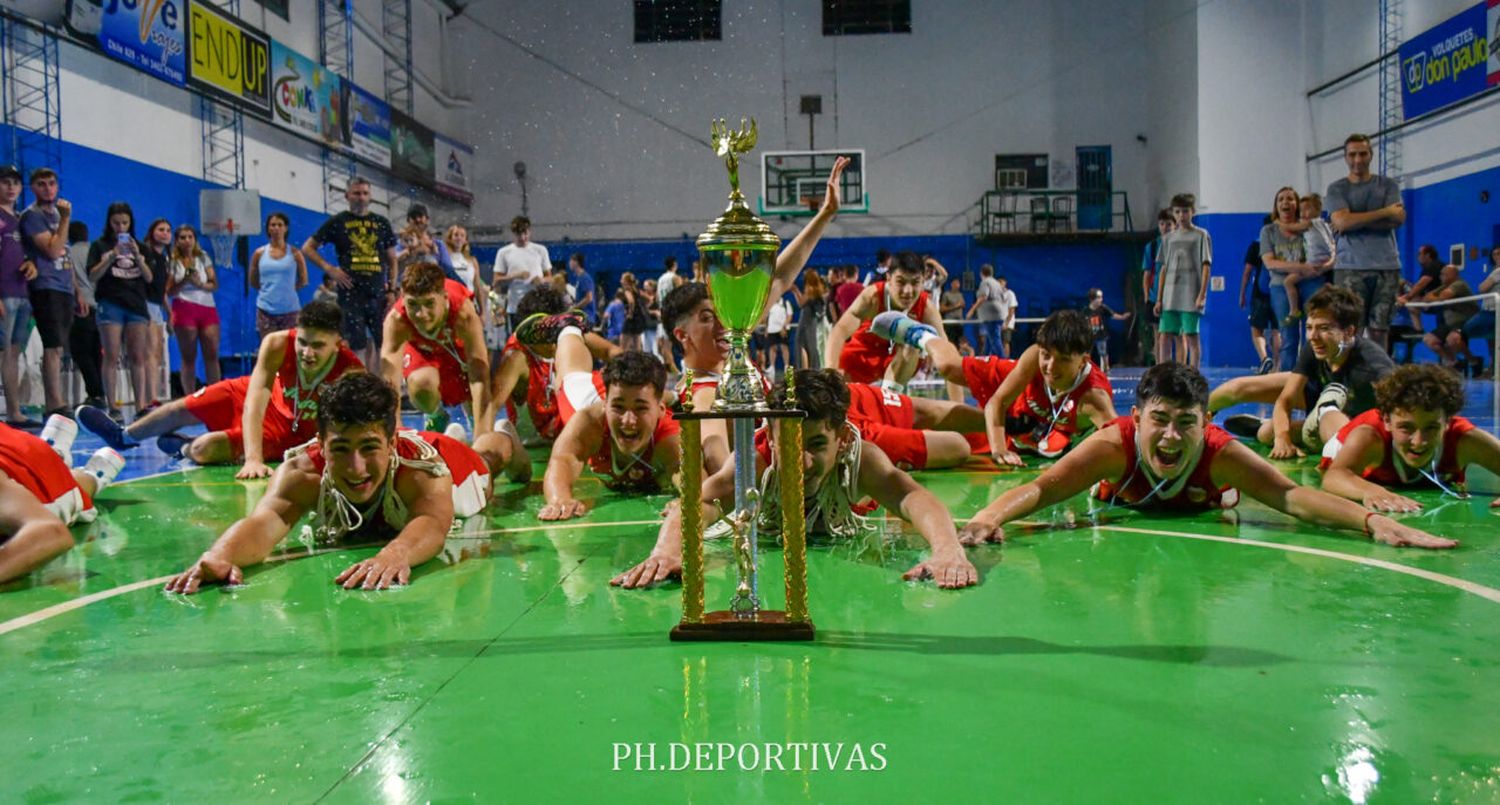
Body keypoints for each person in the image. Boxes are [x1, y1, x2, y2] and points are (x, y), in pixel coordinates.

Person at [957, 363, 1455, 550]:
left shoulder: (1219, 453)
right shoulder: (1113, 443)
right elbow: (1041, 489)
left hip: (1205, 496)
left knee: (1241, 491)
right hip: (1123, 497)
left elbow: (1294, 496)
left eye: (1187, 422)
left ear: (1205, 422)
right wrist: (987, 516)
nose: (1172, 436)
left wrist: (1372, 523)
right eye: (1160, 420)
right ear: (1137, 417)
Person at [611, 369, 979, 590]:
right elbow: (701, 502)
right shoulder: (753, 463)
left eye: (816, 445)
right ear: (770, 438)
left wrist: (948, 549)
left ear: (842, 440)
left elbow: (913, 497)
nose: (801, 462)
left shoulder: (860, 455)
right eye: (788, 444)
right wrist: (668, 550)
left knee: (957, 446)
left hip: (871, 414)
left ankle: (1002, 421)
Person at [162, 373, 515, 595]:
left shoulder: (422, 471)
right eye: (341, 449)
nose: (355, 467)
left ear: (390, 443)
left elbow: (434, 524)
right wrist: (220, 554)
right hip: (397, 455)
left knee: (487, 463)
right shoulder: (302, 472)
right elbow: (263, 523)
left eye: (368, 448)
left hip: (449, 462)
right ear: (321, 442)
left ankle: (504, 437)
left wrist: (395, 553)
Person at [656, 156, 851, 478]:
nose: (723, 323)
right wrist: (745, 488)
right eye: (708, 317)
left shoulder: (733, 337)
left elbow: (779, 278)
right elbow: (714, 446)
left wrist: (825, 214)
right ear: (682, 335)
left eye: (721, 313)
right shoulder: (701, 389)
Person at [75, 301, 364, 471]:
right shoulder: (277, 343)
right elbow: (255, 397)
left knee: (204, 449)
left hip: (291, 430)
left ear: (338, 344)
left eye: (317, 346)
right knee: (190, 404)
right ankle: (124, 436)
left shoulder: (350, 371)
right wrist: (252, 459)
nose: (306, 352)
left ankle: (182, 449)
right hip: (261, 394)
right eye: (302, 341)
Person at [868, 308, 1115, 463]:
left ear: (1083, 360)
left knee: (956, 441)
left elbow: (1119, 445)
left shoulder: (1094, 399)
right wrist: (998, 450)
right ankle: (923, 335)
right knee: (950, 368)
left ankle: (890, 423)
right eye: (1047, 355)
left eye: (1062, 360)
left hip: (1031, 425)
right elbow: (998, 402)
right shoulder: (1034, 358)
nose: (1051, 366)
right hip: (1016, 386)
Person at [1214, 284, 1395, 458]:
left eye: (1324, 328)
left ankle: (1262, 427)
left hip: (1348, 418)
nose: (1313, 336)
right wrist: (1282, 440)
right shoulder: (1315, 346)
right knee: (1237, 388)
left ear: (1348, 332)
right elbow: (1285, 400)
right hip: (1317, 393)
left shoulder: (1374, 371)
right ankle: (1197, 414)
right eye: (1309, 327)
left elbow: (1400, 420)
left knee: (1267, 433)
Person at [1319, 364, 1500, 511]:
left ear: (1447, 422)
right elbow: (1334, 477)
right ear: (1387, 421)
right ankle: (1327, 406)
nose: (1419, 441)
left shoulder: (1464, 439)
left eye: (1431, 428)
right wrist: (1370, 490)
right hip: (1349, 437)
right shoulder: (1370, 437)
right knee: (1330, 436)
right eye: (1406, 428)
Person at [536, 347, 681, 521]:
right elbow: (563, 459)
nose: (628, 420)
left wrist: (689, 498)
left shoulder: (669, 435)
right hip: (586, 392)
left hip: (628, 395)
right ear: (605, 405)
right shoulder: (588, 421)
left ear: (661, 410)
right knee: (569, 372)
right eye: (618, 408)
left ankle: (671, 396)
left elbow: (693, 479)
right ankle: (570, 328)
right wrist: (560, 499)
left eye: (640, 408)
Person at [0, 418, 124, 583]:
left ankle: (94, 475)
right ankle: (54, 450)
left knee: (74, 492)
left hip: (36, 471)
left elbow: (51, 533)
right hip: (14, 444)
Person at [490, 287, 619, 444]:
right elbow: (490, 407)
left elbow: (612, 351)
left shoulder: (567, 336)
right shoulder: (516, 357)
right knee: (501, 429)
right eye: (549, 335)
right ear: (533, 333)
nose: (554, 342)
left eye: (557, 332)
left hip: (573, 432)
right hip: (532, 446)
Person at [380, 262, 491, 435]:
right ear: (402, 297)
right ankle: (434, 415)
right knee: (421, 384)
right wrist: (394, 430)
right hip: (421, 350)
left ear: (444, 298)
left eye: (429, 303)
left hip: (456, 346)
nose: (421, 314)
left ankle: (472, 421)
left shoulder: (464, 315)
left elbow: (479, 377)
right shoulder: (396, 321)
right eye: (413, 304)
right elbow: (390, 382)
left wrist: (481, 435)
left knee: (473, 398)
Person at [301, 176, 399, 371]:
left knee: (385, 344)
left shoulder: (381, 223)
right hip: (351, 293)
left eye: (364, 193)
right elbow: (307, 247)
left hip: (377, 293)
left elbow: (392, 259)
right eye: (356, 193)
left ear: (370, 196)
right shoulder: (339, 222)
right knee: (357, 345)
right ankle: (359, 389)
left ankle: (386, 389)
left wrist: (392, 289)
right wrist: (330, 269)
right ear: (347, 195)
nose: (361, 197)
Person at [1326, 133, 1405, 349]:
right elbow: (1341, 222)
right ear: (1345, 157)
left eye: (1362, 154)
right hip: (1350, 268)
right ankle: (1350, 378)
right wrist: (1384, 212)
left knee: (1380, 331)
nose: (1358, 160)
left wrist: (1354, 221)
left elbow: (1398, 218)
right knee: (1351, 330)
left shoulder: (1388, 186)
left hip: (1387, 267)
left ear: (1371, 155)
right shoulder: (1337, 189)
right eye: (1352, 155)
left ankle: (1380, 379)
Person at [826, 251, 947, 391]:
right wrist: (830, 373)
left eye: (915, 283)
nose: (908, 291)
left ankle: (890, 399)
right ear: (889, 277)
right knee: (841, 378)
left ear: (923, 281)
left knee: (913, 341)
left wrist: (958, 405)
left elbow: (948, 359)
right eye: (901, 282)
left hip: (896, 364)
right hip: (861, 357)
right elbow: (839, 331)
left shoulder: (926, 307)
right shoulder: (873, 296)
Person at [19, 168, 79, 419]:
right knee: (52, 347)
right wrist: (66, 220)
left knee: (60, 348)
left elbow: (65, 255)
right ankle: (54, 404)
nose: (48, 188)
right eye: (41, 184)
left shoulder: (55, 213)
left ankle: (58, 400)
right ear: (33, 188)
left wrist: (77, 290)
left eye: (52, 183)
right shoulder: (32, 216)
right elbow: (53, 251)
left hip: (64, 286)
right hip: (45, 286)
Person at [86, 202, 153, 419]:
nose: (121, 227)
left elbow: (149, 277)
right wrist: (111, 256)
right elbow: (92, 275)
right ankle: (113, 405)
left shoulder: (141, 246)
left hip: (136, 305)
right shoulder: (99, 245)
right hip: (110, 303)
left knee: (137, 355)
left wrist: (138, 257)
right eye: (116, 223)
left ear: (131, 222)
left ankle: (141, 405)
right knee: (111, 355)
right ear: (109, 223)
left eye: (125, 223)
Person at [0, 164, 41, 427]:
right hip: (4, 294)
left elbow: (25, 254)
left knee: (13, 354)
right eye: (5, 182)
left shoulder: (18, 219)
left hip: (22, 294)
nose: (11, 187)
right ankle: (11, 411)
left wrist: (31, 264)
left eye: (15, 183)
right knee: (4, 354)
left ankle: (14, 412)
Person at [1154, 192, 1212, 368]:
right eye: (1177, 212)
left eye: (1185, 211)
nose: (1181, 216)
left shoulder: (1201, 235)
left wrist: (1201, 295)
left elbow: (1206, 265)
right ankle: (1163, 372)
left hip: (1190, 294)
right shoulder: (1167, 239)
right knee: (1164, 335)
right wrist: (1159, 298)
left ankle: (1193, 373)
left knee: (1191, 336)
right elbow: (1163, 268)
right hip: (1169, 296)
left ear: (1193, 212)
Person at [166, 224, 220, 396]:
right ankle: (189, 397)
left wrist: (199, 284)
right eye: (182, 237)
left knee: (211, 353)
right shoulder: (172, 261)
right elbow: (169, 291)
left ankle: (215, 394)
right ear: (177, 241)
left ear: (195, 239)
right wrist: (185, 281)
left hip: (207, 307)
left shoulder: (203, 257)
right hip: (184, 307)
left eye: (190, 237)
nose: (187, 241)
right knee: (189, 356)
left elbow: (214, 284)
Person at [65, 221, 108, 415]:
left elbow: (67, 278)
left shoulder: (68, 253)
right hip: (101, 308)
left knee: (81, 352)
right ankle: (100, 392)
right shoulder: (95, 251)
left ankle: (96, 392)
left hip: (81, 307)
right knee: (96, 353)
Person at [249, 212, 308, 340]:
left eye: (280, 225)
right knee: (270, 349)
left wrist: (287, 289)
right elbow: (253, 280)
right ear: (268, 229)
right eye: (273, 225)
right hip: (266, 310)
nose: (276, 228)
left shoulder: (295, 253)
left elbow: (303, 280)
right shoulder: (259, 254)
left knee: (290, 350)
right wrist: (269, 290)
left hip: (290, 310)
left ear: (286, 228)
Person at [1281, 192, 1335, 324]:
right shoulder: (1324, 224)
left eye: (1307, 209)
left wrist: (1279, 222)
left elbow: (1290, 227)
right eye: (1301, 210)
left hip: (1314, 263)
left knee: (1288, 282)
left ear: (1317, 210)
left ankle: (1294, 310)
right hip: (1325, 260)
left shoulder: (1310, 223)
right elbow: (1332, 243)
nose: (1303, 213)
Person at [1417, 263, 1478, 370]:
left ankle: (1473, 360)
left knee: (1452, 339)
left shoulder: (1459, 284)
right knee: (1429, 340)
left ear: (1454, 274)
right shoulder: (1444, 286)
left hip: (1465, 321)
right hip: (1449, 323)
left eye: (1444, 274)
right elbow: (1426, 298)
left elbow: (1443, 297)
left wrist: (1437, 297)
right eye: (1441, 274)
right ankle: (1453, 362)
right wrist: (1437, 297)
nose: (1441, 277)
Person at [1238, 215, 1279, 375]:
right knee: (1278, 330)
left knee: (1256, 329)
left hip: (1260, 293)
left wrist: (1242, 293)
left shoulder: (1256, 245)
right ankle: (1277, 365)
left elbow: (1247, 272)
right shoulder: (1284, 243)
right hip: (1280, 291)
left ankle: (1264, 358)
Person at [139, 218, 173, 410]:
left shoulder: (164, 258)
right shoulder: (146, 253)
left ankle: (151, 396)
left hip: (157, 308)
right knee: (149, 353)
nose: (165, 233)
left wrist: (169, 313)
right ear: (152, 232)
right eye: (161, 229)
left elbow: (162, 291)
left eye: (168, 230)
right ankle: (148, 398)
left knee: (156, 354)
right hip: (144, 306)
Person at [493, 215, 548, 330]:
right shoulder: (504, 252)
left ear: (530, 231)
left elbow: (550, 278)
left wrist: (541, 280)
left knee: (539, 345)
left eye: (525, 233)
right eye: (519, 234)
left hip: (538, 306)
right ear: (513, 233)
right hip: (515, 307)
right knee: (518, 344)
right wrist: (515, 275)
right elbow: (496, 282)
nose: (523, 237)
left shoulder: (540, 250)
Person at [1141, 209, 1174, 366]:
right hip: (1155, 296)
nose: (1165, 227)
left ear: (1174, 225)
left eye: (1168, 224)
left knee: (1176, 335)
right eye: (1162, 224)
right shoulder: (1152, 246)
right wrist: (1147, 296)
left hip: (1175, 296)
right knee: (1158, 334)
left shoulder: (1178, 244)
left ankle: (1173, 365)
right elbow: (1147, 274)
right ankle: (1160, 366)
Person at [395, 203, 455, 282]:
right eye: (413, 217)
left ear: (427, 219)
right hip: (406, 289)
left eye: (420, 216)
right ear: (408, 221)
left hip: (432, 289)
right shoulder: (399, 244)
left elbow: (449, 270)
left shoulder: (438, 245)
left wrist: (434, 254)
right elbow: (390, 267)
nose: (417, 219)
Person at [793, 270, 833, 370]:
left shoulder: (809, 289)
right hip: (813, 322)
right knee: (812, 346)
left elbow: (801, 303)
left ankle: (804, 369)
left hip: (805, 322)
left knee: (801, 345)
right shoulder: (820, 290)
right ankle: (813, 368)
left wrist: (795, 290)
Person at [1085, 288, 1130, 373]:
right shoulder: (1086, 311)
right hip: (1090, 336)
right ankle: (1087, 369)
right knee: (1087, 353)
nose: (1101, 299)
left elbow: (1112, 315)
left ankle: (1105, 368)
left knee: (1103, 352)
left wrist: (1122, 317)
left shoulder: (1103, 308)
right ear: (1092, 299)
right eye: (1098, 297)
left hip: (1101, 335)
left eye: (1101, 297)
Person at [967, 264, 1005, 357]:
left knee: (995, 340)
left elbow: (983, 297)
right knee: (990, 338)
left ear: (981, 273)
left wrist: (972, 310)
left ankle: (1003, 360)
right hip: (999, 313)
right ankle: (984, 357)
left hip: (991, 316)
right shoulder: (996, 283)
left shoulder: (985, 282)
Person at [568, 252, 596, 325]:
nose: (569, 263)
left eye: (571, 261)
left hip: (586, 317)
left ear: (576, 262)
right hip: (582, 316)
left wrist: (574, 308)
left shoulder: (585, 278)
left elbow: (589, 298)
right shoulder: (579, 278)